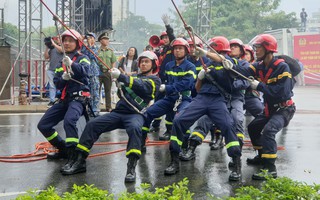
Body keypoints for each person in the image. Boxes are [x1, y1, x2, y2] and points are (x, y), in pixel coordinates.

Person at [59, 51, 161, 183]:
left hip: (135, 114)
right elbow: (124, 92)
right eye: (142, 61)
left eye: (147, 62)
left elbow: (144, 88)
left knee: (136, 129)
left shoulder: (155, 80)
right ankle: (80, 161)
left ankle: (131, 168)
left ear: (154, 64)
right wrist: (120, 83)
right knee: (92, 125)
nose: (143, 64)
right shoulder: (134, 77)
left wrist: (122, 77)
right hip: (118, 112)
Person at [168, 36, 242, 181]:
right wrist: (201, 77)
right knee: (179, 121)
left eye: (211, 48)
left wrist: (206, 54)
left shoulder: (229, 61)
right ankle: (174, 162)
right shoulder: (208, 64)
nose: (208, 51)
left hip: (218, 99)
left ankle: (236, 165)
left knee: (228, 126)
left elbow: (221, 59)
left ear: (219, 49)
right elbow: (197, 88)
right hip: (202, 98)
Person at [230, 34, 296, 180]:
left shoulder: (282, 67)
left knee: (268, 131)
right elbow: (241, 72)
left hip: (284, 109)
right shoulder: (258, 66)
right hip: (269, 109)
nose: (255, 51)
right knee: (253, 128)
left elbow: (282, 92)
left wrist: (260, 86)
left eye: (258, 48)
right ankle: (261, 157)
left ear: (268, 49)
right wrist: (227, 64)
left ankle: (270, 168)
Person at [37, 29, 91, 160]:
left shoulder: (84, 58)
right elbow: (58, 83)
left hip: (78, 99)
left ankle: (73, 156)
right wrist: (63, 78)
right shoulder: (61, 62)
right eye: (65, 41)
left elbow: (85, 73)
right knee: (43, 125)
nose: (66, 43)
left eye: (70, 41)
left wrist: (72, 64)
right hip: (64, 100)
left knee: (69, 121)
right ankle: (63, 149)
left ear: (77, 43)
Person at [141, 38, 196, 152]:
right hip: (170, 98)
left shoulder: (190, 67)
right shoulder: (169, 65)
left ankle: (185, 147)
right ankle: (141, 141)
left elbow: (186, 84)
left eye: (180, 49)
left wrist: (167, 88)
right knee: (147, 113)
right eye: (175, 49)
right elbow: (165, 81)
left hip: (184, 98)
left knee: (181, 119)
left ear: (186, 51)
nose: (177, 51)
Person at [149, 14, 176, 140]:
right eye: (163, 37)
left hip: (170, 80)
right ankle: (155, 125)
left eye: (166, 37)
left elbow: (172, 38)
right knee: (158, 102)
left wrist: (167, 26)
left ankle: (169, 130)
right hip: (160, 80)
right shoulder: (162, 51)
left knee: (170, 105)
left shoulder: (172, 48)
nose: (165, 39)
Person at [81, 32, 100, 117]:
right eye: (88, 37)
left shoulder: (95, 48)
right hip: (86, 72)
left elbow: (92, 56)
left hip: (94, 72)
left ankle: (95, 109)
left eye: (91, 37)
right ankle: (87, 109)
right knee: (87, 92)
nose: (89, 39)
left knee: (95, 92)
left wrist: (90, 45)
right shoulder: (84, 48)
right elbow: (84, 55)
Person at [97, 32, 117, 112]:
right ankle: (96, 106)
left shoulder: (110, 51)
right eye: (105, 39)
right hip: (98, 72)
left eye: (108, 39)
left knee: (108, 90)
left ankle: (108, 107)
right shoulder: (97, 51)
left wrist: (112, 70)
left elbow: (113, 62)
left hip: (107, 72)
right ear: (101, 41)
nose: (107, 41)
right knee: (97, 90)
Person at [44, 36, 63, 108]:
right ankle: (52, 100)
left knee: (61, 84)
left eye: (59, 38)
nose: (57, 39)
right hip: (51, 69)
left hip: (60, 70)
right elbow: (46, 57)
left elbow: (61, 50)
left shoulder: (64, 47)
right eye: (56, 38)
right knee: (52, 86)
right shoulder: (52, 48)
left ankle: (61, 99)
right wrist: (47, 47)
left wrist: (54, 44)